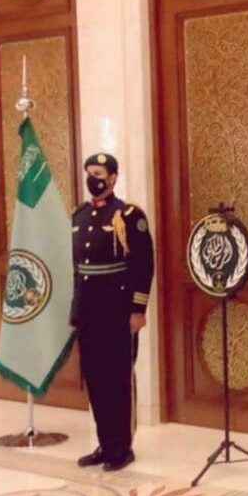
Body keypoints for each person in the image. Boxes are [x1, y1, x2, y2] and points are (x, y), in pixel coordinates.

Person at [70, 153, 154, 472]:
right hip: (89, 312)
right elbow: (77, 270)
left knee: (117, 379)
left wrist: (138, 310)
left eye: (99, 173)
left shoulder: (129, 216)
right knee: (94, 379)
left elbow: (144, 265)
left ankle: (122, 447)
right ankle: (105, 444)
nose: (93, 179)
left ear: (113, 178)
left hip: (117, 311)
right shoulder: (79, 216)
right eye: (89, 173)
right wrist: (75, 309)